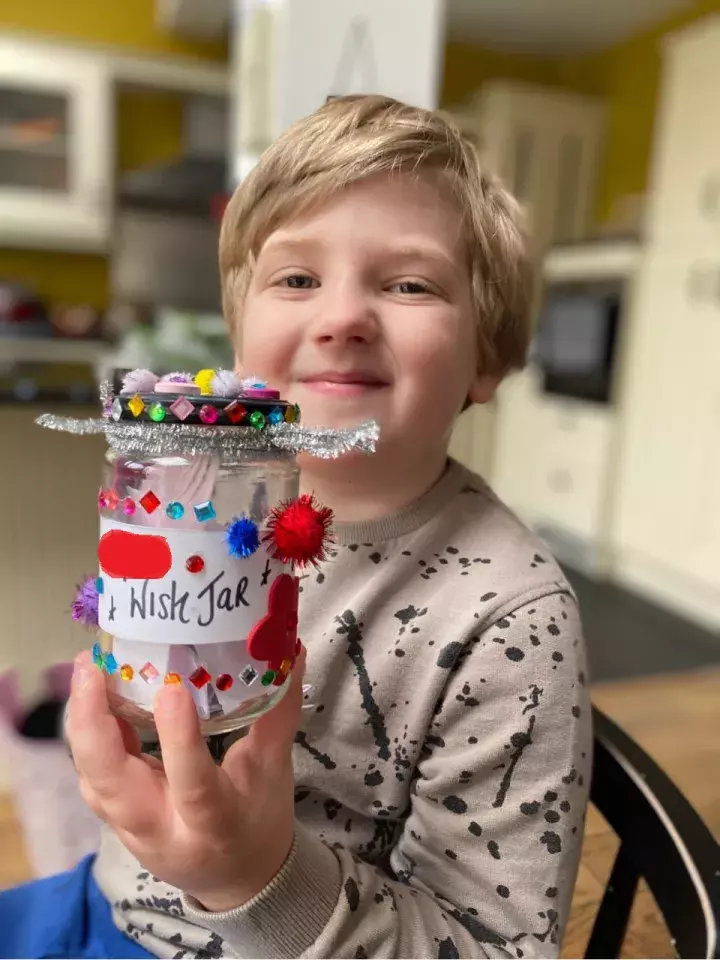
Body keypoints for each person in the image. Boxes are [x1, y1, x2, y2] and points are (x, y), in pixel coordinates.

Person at [0, 95, 591, 960]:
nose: (341, 316)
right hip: (104, 908)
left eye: (409, 283)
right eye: (297, 279)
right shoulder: (194, 499)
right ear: (242, 334)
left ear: (486, 357)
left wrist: (255, 875)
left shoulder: (510, 617)